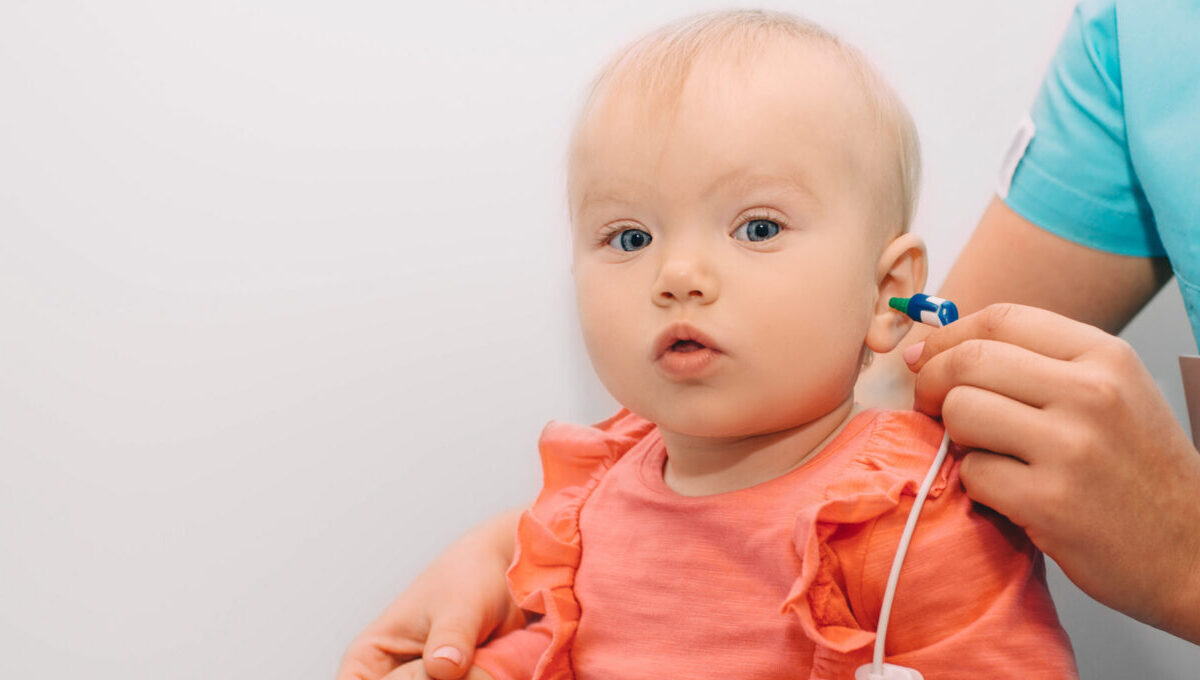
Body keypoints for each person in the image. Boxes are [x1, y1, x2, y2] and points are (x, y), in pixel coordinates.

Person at [339, 1, 1200, 678]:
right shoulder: (594, 495)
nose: (678, 274)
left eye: (756, 228)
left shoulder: (910, 520)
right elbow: (572, 648)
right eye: (630, 237)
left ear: (888, 294)